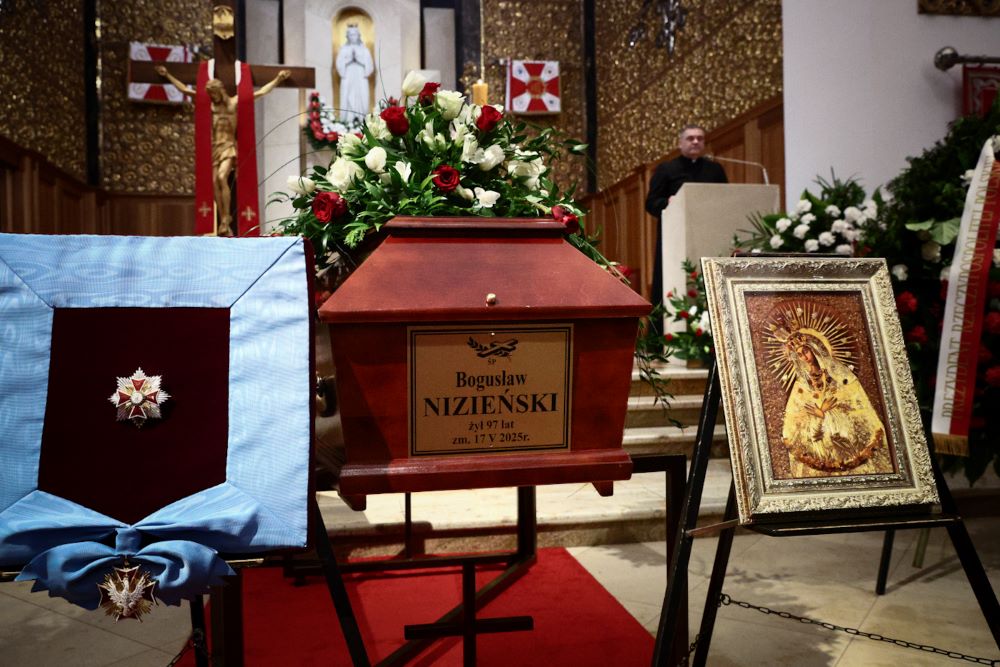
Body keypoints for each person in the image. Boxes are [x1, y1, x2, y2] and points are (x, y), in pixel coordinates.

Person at [156, 65, 290, 236]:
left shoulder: (234, 103)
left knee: (221, 177)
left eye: (214, 94)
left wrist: (278, 79)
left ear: (220, 91)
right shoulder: (211, 107)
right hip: (215, 148)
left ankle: (226, 219)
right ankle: (224, 218)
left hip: (228, 147)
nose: (212, 97)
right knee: (214, 183)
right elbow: (185, 90)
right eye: (210, 95)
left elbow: (262, 92)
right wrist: (167, 75)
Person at [644, 124, 728, 305]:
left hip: (709, 233)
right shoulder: (666, 169)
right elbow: (651, 203)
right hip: (675, 236)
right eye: (690, 138)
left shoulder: (715, 169)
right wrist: (668, 202)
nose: (696, 142)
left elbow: (724, 199)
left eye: (700, 138)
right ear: (680, 143)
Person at [335, 24, 375, 125]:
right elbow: (339, 65)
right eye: (351, 35)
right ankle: (348, 120)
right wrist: (349, 60)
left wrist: (358, 59)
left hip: (360, 77)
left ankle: (361, 119)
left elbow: (370, 66)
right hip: (348, 76)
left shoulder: (364, 50)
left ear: (358, 35)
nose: (353, 37)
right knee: (348, 95)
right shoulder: (343, 50)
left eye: (355, 34)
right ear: (347, 36)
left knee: (362, 96)